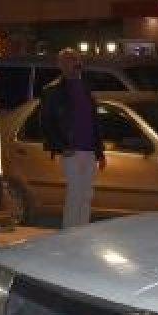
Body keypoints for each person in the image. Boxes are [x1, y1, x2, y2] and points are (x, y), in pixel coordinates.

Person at [39, 48, 105, 228]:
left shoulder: (85, 87)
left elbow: (93, 120)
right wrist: (62, 146)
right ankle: (69, 231)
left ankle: (82, 230)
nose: (74, 63)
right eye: (68, 60)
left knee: (87, 194)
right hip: (72, 150)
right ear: (60, 65)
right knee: (75, 193)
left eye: (75, 59)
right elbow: (46, 123)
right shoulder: (53, 91)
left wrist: (100, 152)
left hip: (89, 150)